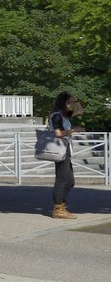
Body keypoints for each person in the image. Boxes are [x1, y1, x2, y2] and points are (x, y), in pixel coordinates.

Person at [48, 91, 84, 219]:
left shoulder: (64, 115)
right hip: (60, 149)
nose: (70, 106)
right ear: (63, 103)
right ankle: (58, 208)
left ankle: (61, 206)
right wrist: (74, 130)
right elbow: (58, 133)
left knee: (70, 181)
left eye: (71, 103)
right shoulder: (57, 116)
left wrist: (77, 101)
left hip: (65, 149)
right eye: (68, 103)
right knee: (62, 179)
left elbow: (80, 111)